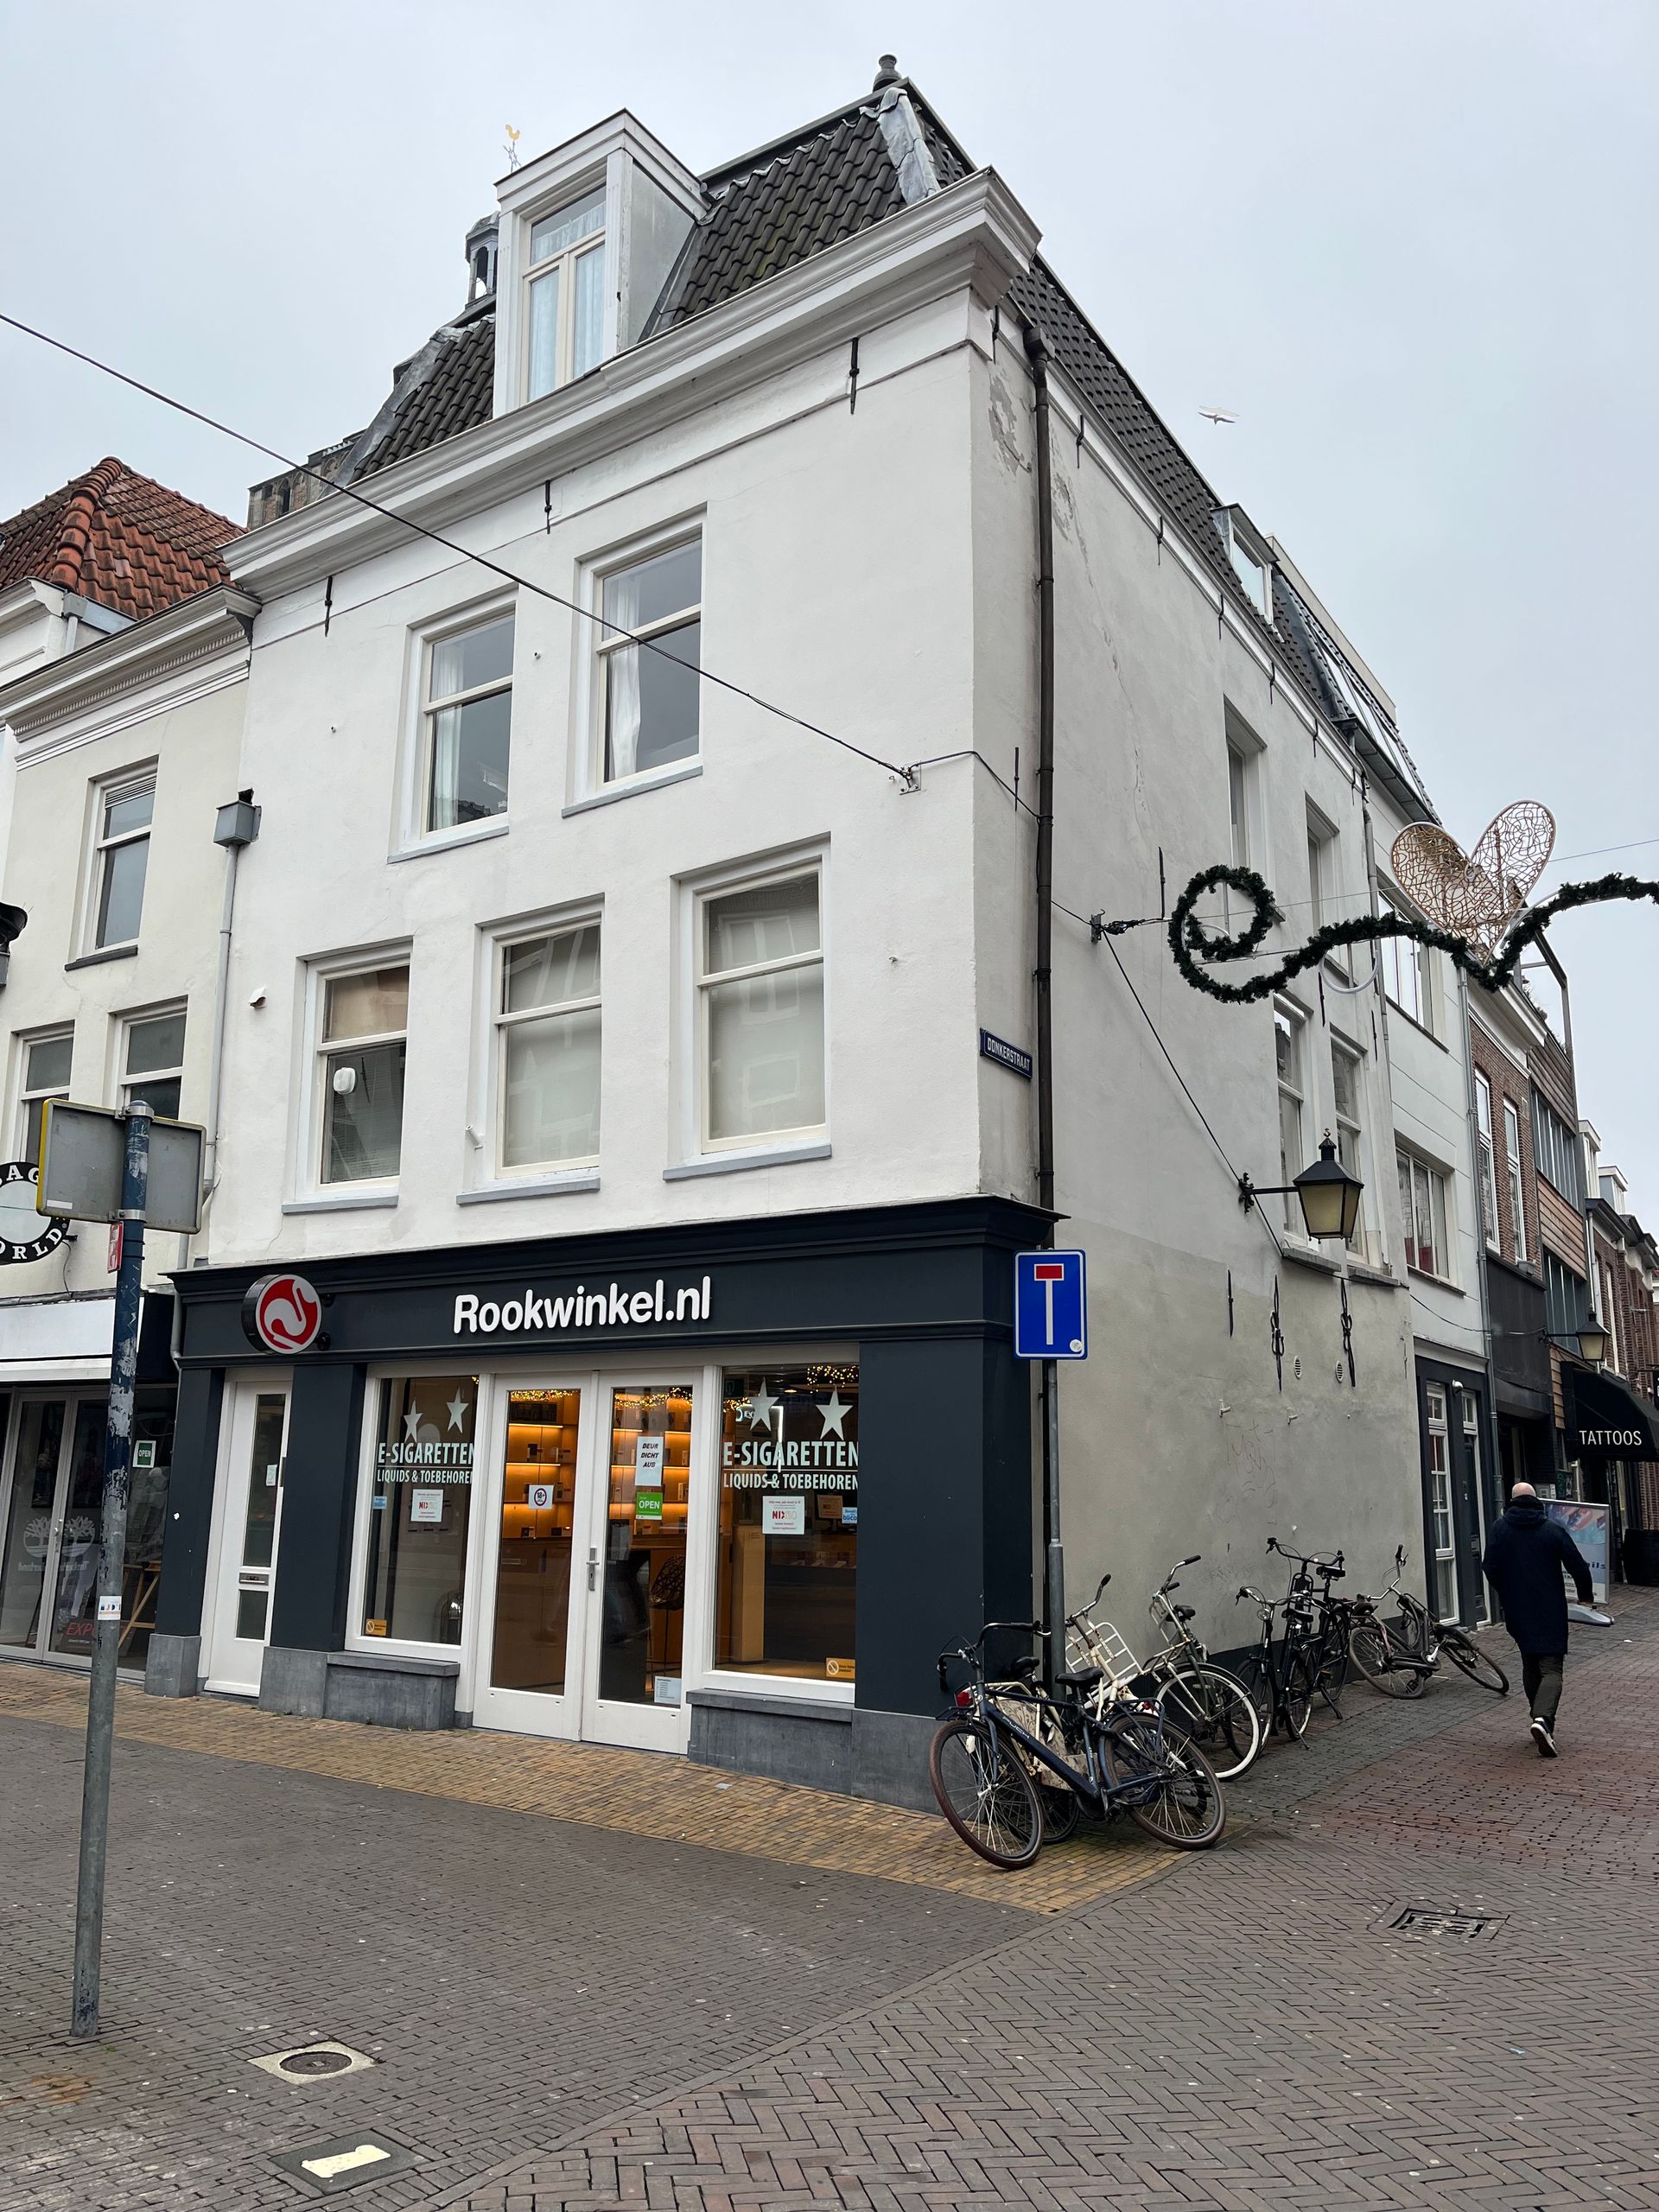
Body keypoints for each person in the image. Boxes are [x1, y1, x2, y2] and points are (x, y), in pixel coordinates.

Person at [1480, 1482, 1593, 1757]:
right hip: (1550, 1608)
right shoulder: (1551, 1529)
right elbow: (1577, 1564)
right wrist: (1585, 1596)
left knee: (1530, 1663)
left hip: (1517, 1609)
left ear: (1511, 1501)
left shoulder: (1499, 1529)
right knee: (1552, 1668)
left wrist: (1506, 1592)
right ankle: (1543, 1720)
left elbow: (1490, 1567)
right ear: (1535, 1500)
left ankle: (1538, 1718)